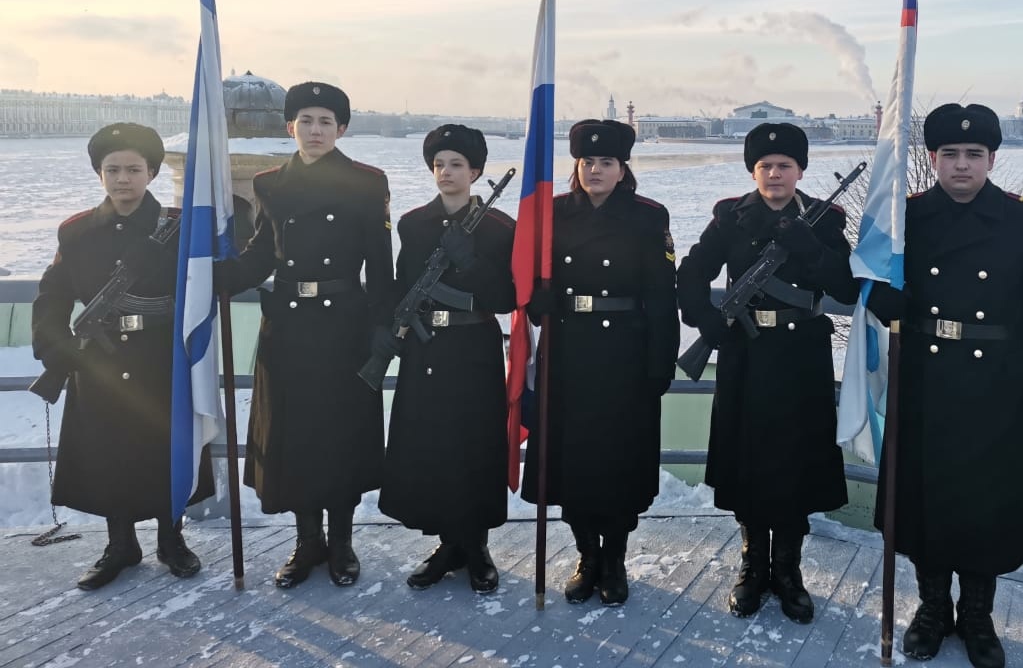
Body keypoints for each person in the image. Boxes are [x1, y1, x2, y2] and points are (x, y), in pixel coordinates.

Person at [867, 103, 1023, 668]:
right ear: (932, 158)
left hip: (994, 385)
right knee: (924, 501)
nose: (961, 164)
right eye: (949, 153)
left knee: (983, 505)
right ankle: (933, 609)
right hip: (923, 381)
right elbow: (868, 277)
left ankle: (977, 615)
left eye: (974, 154)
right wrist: (880, 296)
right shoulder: (905, 217)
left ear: (992, 159)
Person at [676, 122, 857, 624]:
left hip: (802, 357)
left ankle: (789, 572)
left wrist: (811, 248)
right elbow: (692, 272)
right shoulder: (730, 217)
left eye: (785, 165)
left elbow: (846, 286)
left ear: (800, 171)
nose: (775, 174)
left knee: (797, 462)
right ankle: (753, 566)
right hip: (746, 352)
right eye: (765, 166)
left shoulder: (824, 219)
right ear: (752, 171)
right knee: (748, 461)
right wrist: (707, 319)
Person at [216, 82, 393, 588]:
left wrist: (384, 327)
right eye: (306, 121)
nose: (315, 131)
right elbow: (261, 254)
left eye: (326, 122)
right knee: (294, 435)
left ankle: (341, 543)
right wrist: (213, 277)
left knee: (340, 434)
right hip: (289, 329)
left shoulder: (366, 182)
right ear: (289, 126)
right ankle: (307, 542)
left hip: (345, 327)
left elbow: (381, 265)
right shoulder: (270, 183)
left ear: (341, 129)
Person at [31, 123, 213, 589]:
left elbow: (205, 282)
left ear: (152, 173)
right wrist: (59, 348)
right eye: (112, 170)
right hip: (100, 360)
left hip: (160, 358)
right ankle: (121, 545)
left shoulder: (177, 227)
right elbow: (53, 296)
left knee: (164, 447)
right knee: (108, 451)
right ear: (99, 173)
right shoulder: (76, 232)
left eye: (133, 169)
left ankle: (171, 540)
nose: (122, 179)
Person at [521, 119, 679, 607]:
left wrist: (661, 362)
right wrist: (536, 301)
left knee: (618, 461)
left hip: (624, 354)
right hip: (567, 351)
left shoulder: (648, 216)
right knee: (572, 461)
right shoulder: (552, 212)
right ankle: (586, 555)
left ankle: (614, 559)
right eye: (587, 162)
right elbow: (526, 274)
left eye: (606, 162)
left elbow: (662, 296)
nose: (594, 170)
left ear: (622, 169)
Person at [378, 125, 516, 594]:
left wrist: (472, 264)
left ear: (475, 172)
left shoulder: (499, 228)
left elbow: (507, 299)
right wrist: (389, 331)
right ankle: (447, 544)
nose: (446, 172)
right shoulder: (414, 224)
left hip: (474, 347)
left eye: (456, 164)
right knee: (432, 445)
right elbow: (402, 284)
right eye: (439, 164)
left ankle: (475, 546)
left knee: (474, 445)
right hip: (426, 348)